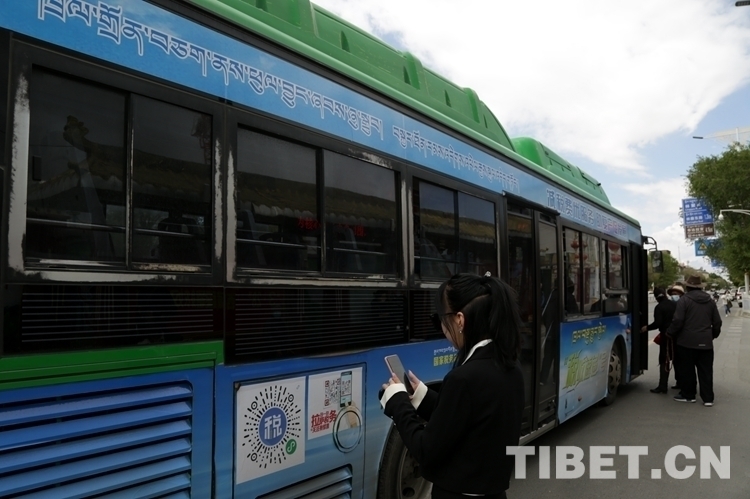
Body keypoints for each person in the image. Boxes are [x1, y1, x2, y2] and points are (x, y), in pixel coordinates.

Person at [380, 273, 524, 499]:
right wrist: (421, 397)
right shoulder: (510, 368)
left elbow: (425, 449)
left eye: (440, 318)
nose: (441, 327)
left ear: (459, 320)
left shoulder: (463, 378)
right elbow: (469, 417)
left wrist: (397, 402)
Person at [666, 275, 722, 406]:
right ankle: (708, 399)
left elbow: (678, 320)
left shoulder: (684, 300)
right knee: (706, 371)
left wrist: (670, 332)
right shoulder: (710, 301)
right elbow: (717, 322)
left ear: (688, 287)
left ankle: (689, 395)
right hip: (706, 343)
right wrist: (712, 335)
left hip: (686, 342)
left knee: (687, 370)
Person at [641, 287, 677, 393]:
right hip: (677, 334)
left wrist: (646, 328)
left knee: (664, 359)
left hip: (666, 336)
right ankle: (680, 382)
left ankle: (663, 386)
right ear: (665, 294)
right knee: (677, 358)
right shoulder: (675, 304)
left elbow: (658, 323)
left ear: (656, 297)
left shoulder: (659, 307)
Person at [666, 283, 685, 390]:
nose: (674, 295)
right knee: (676, 361)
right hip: (674, 337)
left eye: (676, 293)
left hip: (683, 336)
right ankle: (679, 381)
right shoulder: (669, 305)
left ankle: (684, 383)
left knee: (683, 362)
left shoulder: (685, 304)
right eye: (673, 294)